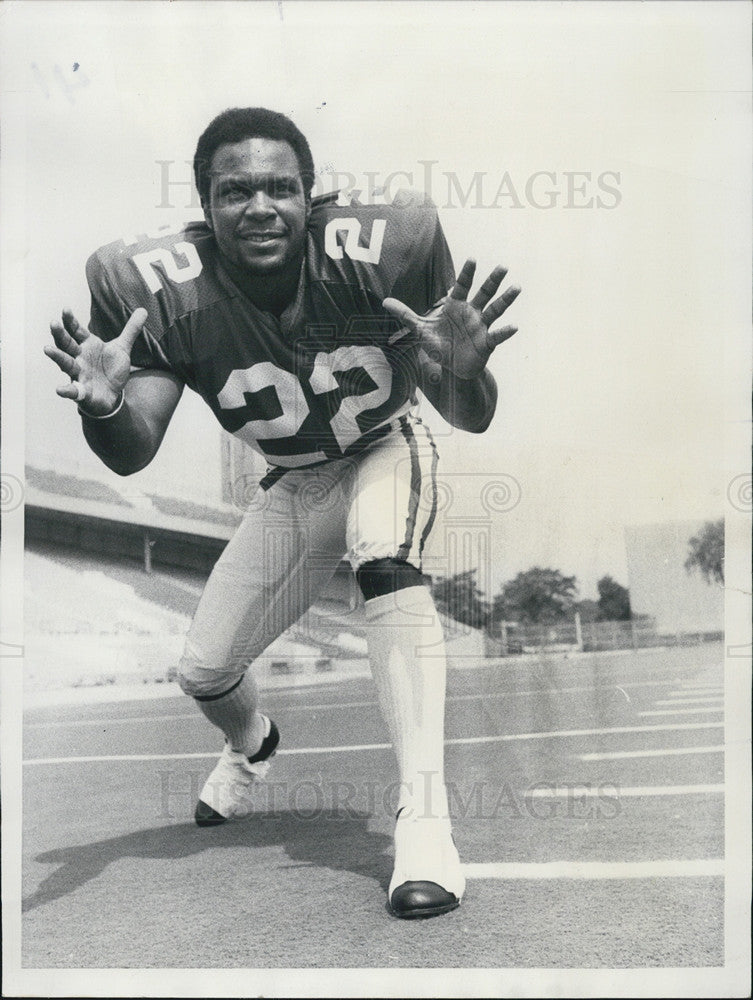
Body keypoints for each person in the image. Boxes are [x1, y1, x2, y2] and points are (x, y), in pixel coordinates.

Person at [45, 107, 520, 919]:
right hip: (295, 481)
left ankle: (425, 820)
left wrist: (464, 373)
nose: (259, 206)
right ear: (206, 204)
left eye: (278, 188)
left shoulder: (385, 249)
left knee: (384, 559)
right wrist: (101, 406)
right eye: (235, 191)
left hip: (383, 447)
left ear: (311, 196)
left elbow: (465, 410)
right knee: (203, 671)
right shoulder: (155, 291)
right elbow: (133, 451)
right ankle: (251, 741)